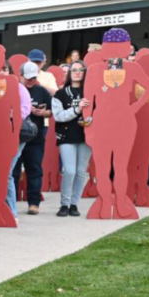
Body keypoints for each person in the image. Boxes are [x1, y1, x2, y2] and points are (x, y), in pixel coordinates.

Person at [52, 61, 92, 216]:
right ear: (69, 73)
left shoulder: (90, 91)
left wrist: (91, 119)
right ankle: (64, 204)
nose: (77, 72)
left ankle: (74, 204)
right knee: (69, 171)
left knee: (81, 172)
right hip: (67, 135)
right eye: (74, 70)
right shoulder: (60, 93)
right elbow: (59, 116)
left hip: (86, 136)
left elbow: (98, 111)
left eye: (81, 69)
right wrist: (77, 109)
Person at [15, 60, 53, 215]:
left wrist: (43, 113)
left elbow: (51, 111)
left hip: (35, 136)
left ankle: (34, 203)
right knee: (14, 170)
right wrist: (26, 108)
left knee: (34, 169)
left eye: (34, 77)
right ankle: (12, 201)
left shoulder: (41, 91)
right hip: (16, 136)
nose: (32, 80)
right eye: (28, 78)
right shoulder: (15, 89)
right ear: (21, 75)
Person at [5, 65, 34, 219]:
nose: (1, 73)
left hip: (16, 133)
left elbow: (24, 110)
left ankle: (12, 212)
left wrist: (7, 114)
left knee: (7, 172)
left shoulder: (19, 88)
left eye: (5, 69)